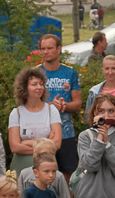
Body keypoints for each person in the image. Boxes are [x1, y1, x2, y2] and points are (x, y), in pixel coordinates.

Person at [33, 34, 81, 178]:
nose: (45, 52)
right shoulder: (35, 73)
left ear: (59, 49)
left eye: (49, 48)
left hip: (66, 132)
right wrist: (49, 105)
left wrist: (64, 105)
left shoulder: (70, 72)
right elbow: (29, 104)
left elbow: (77, 104)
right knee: (43, 172)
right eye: (42, 49)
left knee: (69, 173)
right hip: (42, 133)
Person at [8, 66, 62, 172]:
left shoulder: (52, 111)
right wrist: (46, 143)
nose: (39, 87)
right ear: (24, 87)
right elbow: (14, 147)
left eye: (41, 84)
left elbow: (56, 144)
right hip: (21, 165)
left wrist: (25, 143)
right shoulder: (16, 113)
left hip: (47, 167)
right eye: (34, 84)